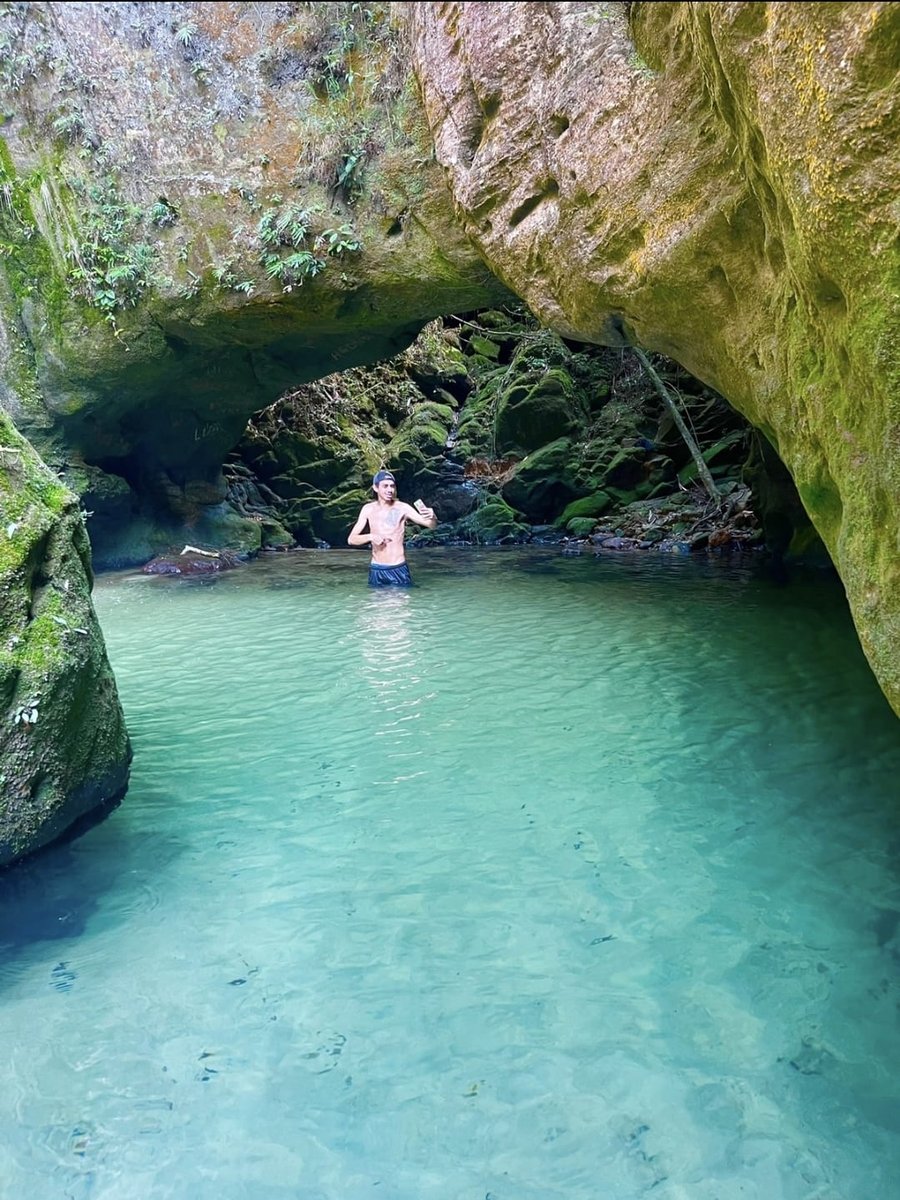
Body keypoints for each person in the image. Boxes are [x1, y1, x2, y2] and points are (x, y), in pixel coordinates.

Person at [347, 470, 437, 587]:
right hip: (377, 569)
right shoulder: (367, 509)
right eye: (385, 486)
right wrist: (371, 537)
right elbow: (351, 539)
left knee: (399, 604)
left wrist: (433, 517)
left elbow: (431, 525)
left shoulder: (403, 508)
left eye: (392, 486)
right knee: (377, 604)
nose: (390, 490)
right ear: (375, 487)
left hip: (398, 567)